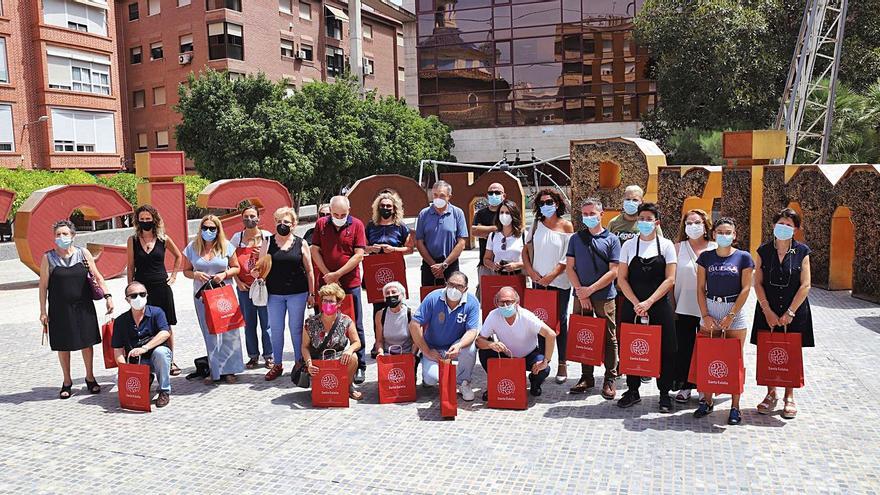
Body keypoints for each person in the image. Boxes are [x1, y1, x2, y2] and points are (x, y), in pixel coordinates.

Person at [39, 220, 113, 399]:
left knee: (86, 343)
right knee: (63, 346)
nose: (61, 237)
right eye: (58, 234)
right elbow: (43, 287)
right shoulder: (48, 258)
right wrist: (43, 311)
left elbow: (97, 276)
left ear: (73, 236)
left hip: (83, 307)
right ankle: (67, 382)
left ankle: (90, 377)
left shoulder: (83, 253)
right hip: (59, 309)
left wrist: (108, 296)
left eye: (65, 234)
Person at [751, 208, 813, 420]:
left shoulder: (802, 251)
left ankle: (789, 396)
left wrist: (790, 312)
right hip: (767, 309)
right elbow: (757, 282)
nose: (784, 227)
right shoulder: (763, 250)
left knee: (790, 351)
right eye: (781, 223)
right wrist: (766, 309)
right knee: (769, 349)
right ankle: (770, 393)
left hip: (794, 310)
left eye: (789, 224)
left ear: (795, 229)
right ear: (774, 225)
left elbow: (805, 285)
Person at [615, 203, 677, 411]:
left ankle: (664, 393)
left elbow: (670, 279)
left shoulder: (667, 245)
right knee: (631, 347)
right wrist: (636, 303)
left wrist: (649, 302)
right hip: (632, 306)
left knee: (667, 349)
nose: (644, 222)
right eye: (641, 218)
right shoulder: (628, 246)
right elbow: (622, 278)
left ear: (657, 222)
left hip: (659, 305)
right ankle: (632, 390)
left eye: (649, 219)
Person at [693, 218, 754, 425]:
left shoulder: (743, 257)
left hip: (734, 311)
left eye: (728, 232)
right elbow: (700, 288)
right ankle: (707, 401)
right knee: (708, 356)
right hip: (711, 307)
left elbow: (746, 288)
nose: (724, 235)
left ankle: (735, 406)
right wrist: (705, 315)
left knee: (734, 359)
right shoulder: (705, 257)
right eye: (720, 231)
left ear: (734, 235)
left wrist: (731, 315)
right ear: (713, 234)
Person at [565, 198, 621, 399]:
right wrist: (581, 290)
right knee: (583, 335)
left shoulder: (612, 239)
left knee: (609, 338)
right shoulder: (576, 238)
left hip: (604, 296)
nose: (588, 217)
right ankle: (586, 376)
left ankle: (610, 379)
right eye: (585, 214)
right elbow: (569, 267)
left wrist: (590, 290)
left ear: (601, 214)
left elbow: (613, 272)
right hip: (580, 295)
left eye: (592, 214)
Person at [311, 195, 368, 384]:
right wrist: (328, 274)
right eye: (335, 214)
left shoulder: (357, 225)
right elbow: (314, 250)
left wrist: (338, 274)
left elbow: (359, 255)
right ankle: (321, 363)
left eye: (343, 214)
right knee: (322, 323)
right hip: (326, 285)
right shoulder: (321, 224)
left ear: (349, 211)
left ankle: (359, 365)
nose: (339, 217)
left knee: (355, 324)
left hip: (350, 283)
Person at [182, 215, 244, 385]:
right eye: (205, 228)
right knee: (210, 333)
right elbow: (185, 270)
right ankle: (215, 370)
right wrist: (195, 274)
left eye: (212, 228)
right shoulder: (192, 248)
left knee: (229, 332)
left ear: (218, 230)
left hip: (223, 295)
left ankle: (230, 370)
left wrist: (224, 274)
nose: (208, 231)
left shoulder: (227, 247)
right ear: (200, 229)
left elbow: (236, 268)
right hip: (203, 297)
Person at [522, 187, 573, 383]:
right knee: (540, 321)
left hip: (559, 283)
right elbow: (525, 252)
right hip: (538, 282)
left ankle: (563, 363)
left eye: (549, 202)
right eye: (542, 203)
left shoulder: (566, 226)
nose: (546, 206)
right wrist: (531, 272)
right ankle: (543, 360)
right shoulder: (535, 225)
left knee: (560, 321)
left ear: (558, 203)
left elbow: (566, 258)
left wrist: (550, 277)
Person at [126, 205, 183, 376]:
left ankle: (170, 360)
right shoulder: (133, 240)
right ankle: (146, 360)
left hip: (161, 288)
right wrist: (130, 289)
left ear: (154, 220)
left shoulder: (163, 239)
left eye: (148, 219)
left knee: (167, 325)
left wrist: (173, 276)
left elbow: (179, 256)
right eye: (142, 219)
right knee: (143, 324)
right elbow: (130, 267)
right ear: (138, 221)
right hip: (141, 290)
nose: (145, 222)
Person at [259, 207, 315, 381]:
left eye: (286, 222)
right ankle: (277, 364)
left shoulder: (301, 243)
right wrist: (257, 273)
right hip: (274, 294)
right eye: (279, 221)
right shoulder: (267, 242)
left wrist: (312, 293)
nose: (282, 225)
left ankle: (299, 362)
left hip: (297, 292)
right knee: (276, 329)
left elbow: (310, 270)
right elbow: (261, 267)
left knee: (296, 329)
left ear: (294, 225)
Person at [409, 271, 480, 401]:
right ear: (446, 284)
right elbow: (414, 324)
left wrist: (459, 345)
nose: (454, 289)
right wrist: (427, 351)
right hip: (433, 346)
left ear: (465, 289)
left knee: (470, 348)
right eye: (451, 284)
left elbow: (472, 331)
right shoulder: (433, 297)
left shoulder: (472, 302)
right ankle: (432, 373)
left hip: (455, 344)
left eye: (459, 286)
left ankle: (464, 382)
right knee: (431, 380)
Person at [670, 209, 716, 403]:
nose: (693, 226)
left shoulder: (715, 247)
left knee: (709, 347)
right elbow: (670, 280)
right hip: (684, 306)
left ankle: (707, 386)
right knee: (685, 347)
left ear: (706, 225)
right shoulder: (677, 248)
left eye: (697, 222)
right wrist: (671, 307)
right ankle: (686, 385)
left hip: (711, 308)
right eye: (689, 223)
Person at [477, 287, 556, 399]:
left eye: (509, 302)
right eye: (502, 302)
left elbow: (551, 334)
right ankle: (496, 382)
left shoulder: (526, 316)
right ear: (496, 302)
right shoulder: (493, 315)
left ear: (517, 302)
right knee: (484, 352)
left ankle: (534, 382)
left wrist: (546, 361)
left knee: (544, 369)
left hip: (529, 354)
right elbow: (479, 340)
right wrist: (491, 344)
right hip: (506, 354)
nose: (505, 306)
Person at [365, 191, 414, 358]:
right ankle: (379, 342)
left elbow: (409, 249)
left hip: (394, 270)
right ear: (378, 207)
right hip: (375, 272)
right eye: (383, 206)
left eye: (389, 206)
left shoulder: (400, 226)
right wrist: (370, 248)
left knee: (396, 305)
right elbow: (362, 247)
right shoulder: (371, 225)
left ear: (394, 208)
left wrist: (394, 249)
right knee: (378, 307)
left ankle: (401, 341)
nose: (385, 208)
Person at [112, 281, 173, 408]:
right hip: (137, 363)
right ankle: (146, 378)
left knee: (161, 352)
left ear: (147, 295)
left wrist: (144, 348)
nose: (138, 298)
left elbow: (165, 333)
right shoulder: (120, 321)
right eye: (133, 296)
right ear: (127, 300)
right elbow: (117, 350)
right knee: (119, 378)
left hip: (157, 359)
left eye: (142, 294)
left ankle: (164, 391)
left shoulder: (157, 312)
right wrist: (126, 370)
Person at [230, 205, 273, 370]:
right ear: (242, 219)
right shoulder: (236, 238)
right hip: (244, 288)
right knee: (249, 323)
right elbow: (230, 261)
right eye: (246, 216)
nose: (250, 219)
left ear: (258, 218)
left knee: (266, 323)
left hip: (262, 287)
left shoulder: (267, 237)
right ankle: (253, 356)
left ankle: (269, 356)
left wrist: (262, 255)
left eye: (253, 216)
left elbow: (272, 261)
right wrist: (237, 281)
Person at [302, 283, 363, 400]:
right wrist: (309, 364)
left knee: (354, 357)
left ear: (339, 304)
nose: (327, 304)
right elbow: (304, 346)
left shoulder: (345, 320)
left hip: (338, 358)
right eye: (325, 301)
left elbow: (357, 342)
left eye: (331, 301)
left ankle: (348, 386)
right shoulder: (311, 322)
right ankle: (322, 386)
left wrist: (349, 350)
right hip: (318, 360)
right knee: (319, 395)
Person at [415, 180, 469, 286]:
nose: (438, 198)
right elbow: (419, 242)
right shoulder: (424, 214)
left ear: (449, 196)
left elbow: (461, 242)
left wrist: (444, 264)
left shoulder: (457, 213)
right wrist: (433, 265)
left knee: (452, 298)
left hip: (450, 264)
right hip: (429, 265)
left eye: (442, 195)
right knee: (430, 298)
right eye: (435, 195)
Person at [472, 183, 506, 299]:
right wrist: (498, 228)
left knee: (506, 298)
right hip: (485, 264)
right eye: (491, 193)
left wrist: (485, 230)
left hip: (506, 266)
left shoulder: (507, 212)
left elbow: (515, 228)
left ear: (503, 195)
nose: (494, 195)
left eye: (497, 192)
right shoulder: (481, 214)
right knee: (487, 300)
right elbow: (475, 231)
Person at [374, 281, 416, 360]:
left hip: (407, 354)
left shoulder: (411, 314)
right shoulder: (380, 315)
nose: (390, 295)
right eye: (387, 293)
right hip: (388, 354)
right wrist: (380, 353)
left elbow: (416, 342)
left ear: (402, 295)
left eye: (394, 292)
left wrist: (412, 356)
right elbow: (379, 341)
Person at [483, 200, 526, 275]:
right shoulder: (493, 235)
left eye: (507, 213)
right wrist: (493, 265)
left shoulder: (523, 235)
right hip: (499, 276)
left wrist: (516, 265)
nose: (504, 215)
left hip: (518, 276)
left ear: (513, 215)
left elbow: (531, 260)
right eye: (501, 212)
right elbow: (486, 259)